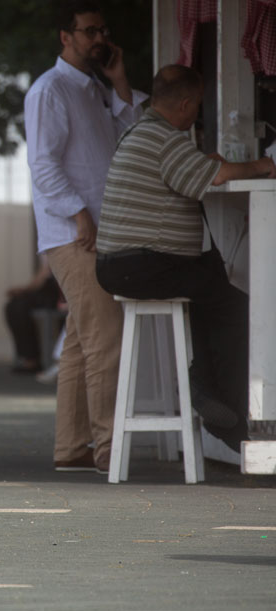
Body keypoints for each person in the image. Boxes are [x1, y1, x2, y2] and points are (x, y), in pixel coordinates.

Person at [95, 64, 276, 452]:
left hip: (120, 265)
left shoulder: (140, 132)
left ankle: (207, 389)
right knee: (234, 307)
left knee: (210, 292)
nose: (196, 114)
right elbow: (218, 175)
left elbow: (201, 171)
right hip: (140, 264)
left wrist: (210, 164)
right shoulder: (166, 139)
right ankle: (225, 407)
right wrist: (264, 165)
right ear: (185, 104)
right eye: (197, 106)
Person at [23, 0, 148, 473]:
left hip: (94, 229)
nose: (99, 39)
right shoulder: (50, 90)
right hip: (75, 234)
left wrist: (119, 81)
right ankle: (109, 446)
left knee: (79, 342)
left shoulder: (93, 87)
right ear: (66, 36)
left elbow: (130, 135)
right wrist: (79, 215)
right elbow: (43, 164)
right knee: (105, 340)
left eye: (103, 30)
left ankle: (73, 446)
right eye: (89, 31)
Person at [4, 256, 61, 373]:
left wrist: (26, 290)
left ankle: (32, 359)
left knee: (20, 306)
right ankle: (28, 356)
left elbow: (49, 271)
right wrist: (25, 290)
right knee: (13, 306)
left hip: (59, 286)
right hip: (48, 284)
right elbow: (44, 271)